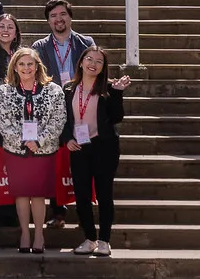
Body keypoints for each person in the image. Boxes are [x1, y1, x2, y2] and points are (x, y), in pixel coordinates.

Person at [0, 47, 67, 254]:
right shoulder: (4, 91)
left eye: (30, 64)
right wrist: (23, 140)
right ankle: (25, 234)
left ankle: (39, 235)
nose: (26, 68)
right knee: (21, 194)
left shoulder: (53, 90)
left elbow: (58, 119)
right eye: (22, 64)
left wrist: (39, 141)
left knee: (38, 194)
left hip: (43, 151)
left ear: (37, 67)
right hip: (15, 150)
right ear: (15, 68)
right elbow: (1, 120)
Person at [66, 45, 130, 255]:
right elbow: (63, 120)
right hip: (78, 148)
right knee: (82, 195)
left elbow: (116, 118)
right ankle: (90, 238)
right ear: (81, 62)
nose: (93, 64)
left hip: (104, 148)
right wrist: (66, 139)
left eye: (98, 61)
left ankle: (104, 240)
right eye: (90, 60)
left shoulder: (109, 89)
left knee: (104, 194)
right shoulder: (68, 88)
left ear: (104, 67)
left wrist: (118, 94)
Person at [34, 0, 97, 87]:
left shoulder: (86, 43)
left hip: (81, 95)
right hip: (51, 96)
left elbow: (97, 70)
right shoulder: (39, 47)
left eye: (63, 14)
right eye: (53, 15)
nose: (59, 19)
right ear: (48, 21)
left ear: (70, 17)